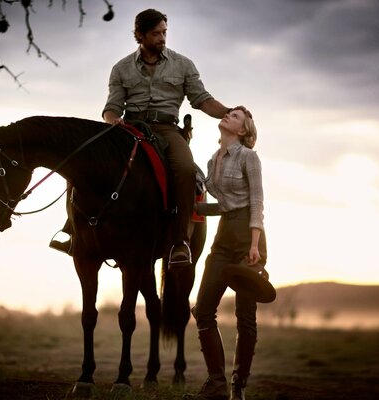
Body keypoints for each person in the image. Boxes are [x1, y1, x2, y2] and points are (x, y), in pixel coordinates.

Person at [50, 8, 231, 268]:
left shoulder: (183, 64)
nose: (162, 38)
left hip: (167, 129)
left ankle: (179, 242)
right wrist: (114, 121)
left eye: (164, 32)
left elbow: (202, 100)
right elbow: (112, 107)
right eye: (156, 33)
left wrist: (229, 111)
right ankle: (73, 232)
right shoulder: (121, 68)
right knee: (86, 163)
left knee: (185, 169)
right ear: (140, 35)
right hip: (130, 130)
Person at [186, 106, 266, 400]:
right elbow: (223, 205)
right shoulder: (211, 160)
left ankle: (239, 385)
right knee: (203, 310)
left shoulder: (248, 157)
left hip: (248, 238)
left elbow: (256, 202)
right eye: (228, 113)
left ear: (243, 131)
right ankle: (217, 383)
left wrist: (254, 245)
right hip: (223, 238)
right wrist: (195, 209)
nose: (227, 116)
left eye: (235, 116)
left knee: (245, 317)